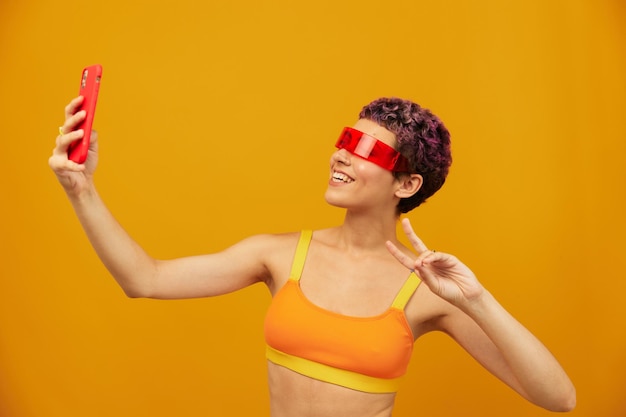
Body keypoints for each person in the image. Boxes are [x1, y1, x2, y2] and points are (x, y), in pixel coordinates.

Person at [49, 96, 576, 417]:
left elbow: (558, 398)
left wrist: (478, 300)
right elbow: (146, 279)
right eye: (346, 139)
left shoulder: (428, 290)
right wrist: (80, 188)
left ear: (407, 183)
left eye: (369, 150)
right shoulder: (278, 255)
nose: (343, 154)